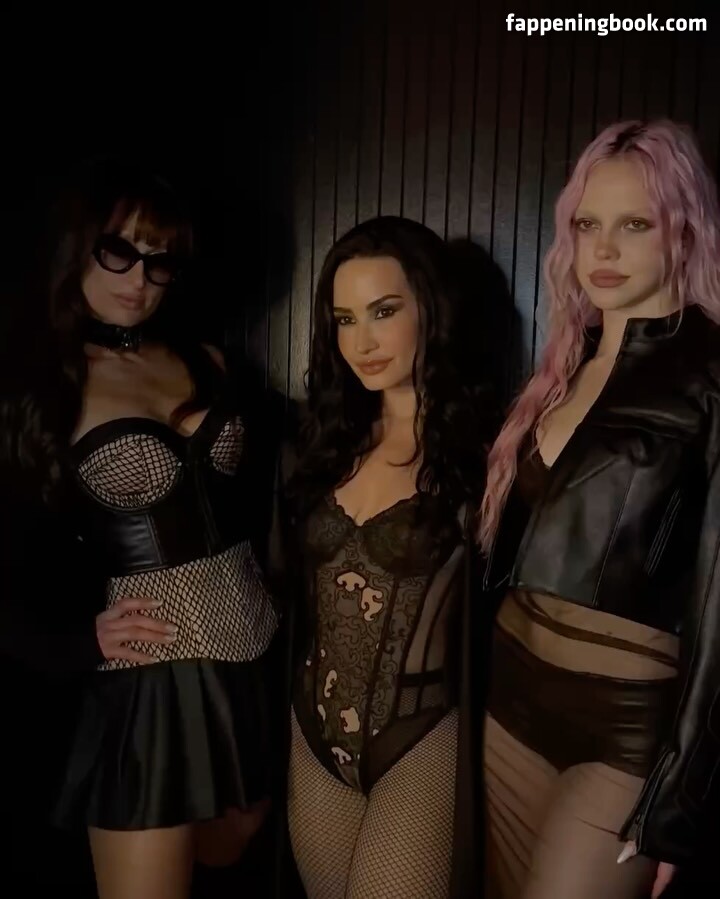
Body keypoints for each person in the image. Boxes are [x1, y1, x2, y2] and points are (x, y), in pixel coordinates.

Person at [2, 157, 280, 899]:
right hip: (147, 682)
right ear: (78, 246)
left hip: (250, 660)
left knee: (237, 846)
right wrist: (76, 641)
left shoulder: (208, 361)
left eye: (160, 261)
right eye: (118, 251)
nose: (139, 279)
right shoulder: (40, 387)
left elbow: (264, 501)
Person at [478, 119, 720, 899]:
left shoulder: (711, 374)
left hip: (624, 729)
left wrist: (679, 798)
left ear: (684, 228)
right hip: (510, 702)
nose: (604, 248)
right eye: (588, 224)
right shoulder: (562, 369)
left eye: (635, 224)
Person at [270, 215, 498, 899]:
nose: (361, 341)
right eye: (344, 319)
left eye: (383, 311)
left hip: (418, 737)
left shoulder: (484, 453)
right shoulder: (322, 443)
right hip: (312, 735)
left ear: (431, 307)